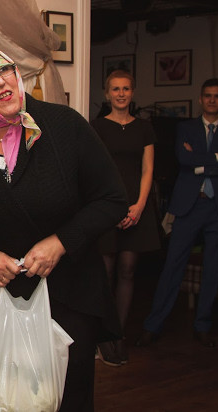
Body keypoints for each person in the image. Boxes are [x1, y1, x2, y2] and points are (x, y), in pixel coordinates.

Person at [0, 44, 127, 411]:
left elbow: (112, 199)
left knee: (62, 400)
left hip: (66, 295)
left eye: (5, 70)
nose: (1, 82)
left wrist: (61, 242)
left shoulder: (64, 126)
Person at [137, 78, 218, 348]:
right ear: (200, 99)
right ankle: (153, 325)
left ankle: (202, 326)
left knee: (213, 268)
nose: (212, 100)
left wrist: (201, 161)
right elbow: (184, 160)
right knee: (173, 265)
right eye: (208, 95)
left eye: (217, 96)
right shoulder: (185, 128)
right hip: (189, 205)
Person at [90, 70, 161, 366]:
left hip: (137, 206)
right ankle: (102, 335)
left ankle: (118, 335)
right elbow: (94, 170)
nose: (121, 94)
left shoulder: (144, 128)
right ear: (107, 94)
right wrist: (113, 208)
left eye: (126, 89)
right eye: (116, 89)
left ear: (133, 92)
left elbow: (148, 169)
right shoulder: (96, 127)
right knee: (105, 271)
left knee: (128, 270)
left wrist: (140, 205)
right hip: (108, 205)